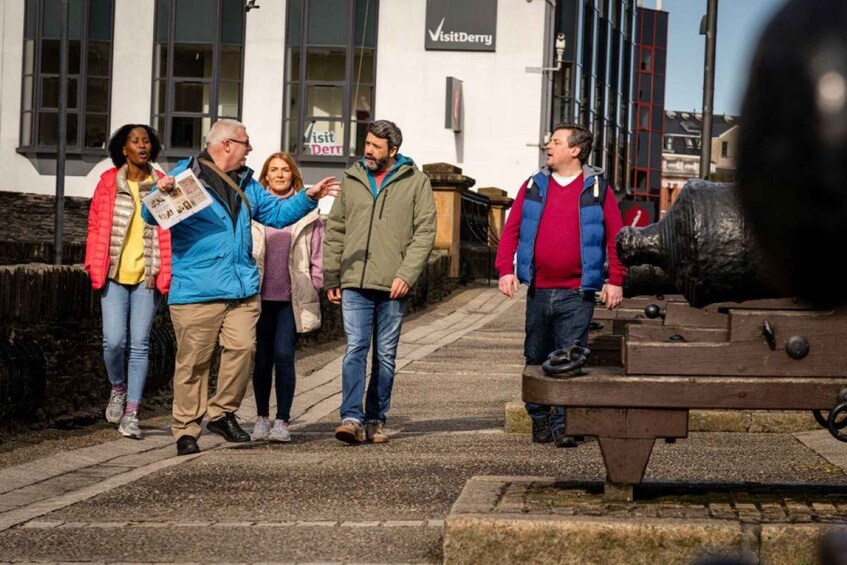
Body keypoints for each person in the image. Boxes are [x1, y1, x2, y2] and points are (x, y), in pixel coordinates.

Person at [141, 119, 341, 456]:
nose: (250, 149)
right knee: (194, 364)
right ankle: (186, 430)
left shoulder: (248, 183)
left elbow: (277, 214)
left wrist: (309, 196)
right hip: (197, 288)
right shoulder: (187, 174)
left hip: (241, 287)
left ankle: (222, 412)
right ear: (226, 144)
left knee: (244, 350)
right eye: (245, 143)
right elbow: (152, 218)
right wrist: (160, 193)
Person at [495, 122, 625, 448]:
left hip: (578, 293)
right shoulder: (533, 185)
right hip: (538, 290)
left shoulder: (598, 188)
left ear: (575, 150)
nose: (547, 147)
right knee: (535, 357)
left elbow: (617, 238)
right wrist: (504, 270)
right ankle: (539, 419)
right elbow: (511, 231)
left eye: (555, 142)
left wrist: (616, 280)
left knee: (569, 359)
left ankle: (562, 424)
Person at [324, 120, 436, 445]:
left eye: (376, 146)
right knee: (355, 349)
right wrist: (333, 275)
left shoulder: (417, 182)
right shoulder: (352, 178)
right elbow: (335, 230)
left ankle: (375, 419)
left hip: (393, 284)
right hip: (354, 281)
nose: (368, 150)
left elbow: (425, 232)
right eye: (367, 143)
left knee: (385, 355)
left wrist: (407, 274)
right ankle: (351, 418)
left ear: (393, 151)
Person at [84, 124, 172, 440]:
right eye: (135, 141)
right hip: (114, 274)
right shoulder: (108, 182)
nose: (141, 146)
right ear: (124, 148)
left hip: (148, 272)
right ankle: (118, 387)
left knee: (140, 344)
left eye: (146, 141)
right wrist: (94, 260)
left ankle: (132, 413)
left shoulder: (162, 184)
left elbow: (172, 226)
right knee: (113, 341)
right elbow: (95, 224)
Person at [250, 152, 324, 442]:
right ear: (265, 176)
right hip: (258, 297)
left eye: (285, 170)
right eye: (274, 170)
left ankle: (282, 420)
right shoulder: (254, 209)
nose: (280, 175)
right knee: (260, 360)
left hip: (291, 298)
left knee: (284, 357)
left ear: (293, 175)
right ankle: (260, 418)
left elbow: (317, 252)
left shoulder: (307, 211)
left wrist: (316, 283)